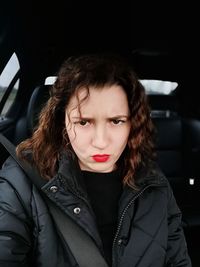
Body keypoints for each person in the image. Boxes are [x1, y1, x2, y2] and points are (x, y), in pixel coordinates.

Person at [0, 53, 191, 267]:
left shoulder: (155, 184)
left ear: (133, 124)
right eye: (83, 122)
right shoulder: (22, 181)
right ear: (62, 121)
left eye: (116, 121)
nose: (101, 142)